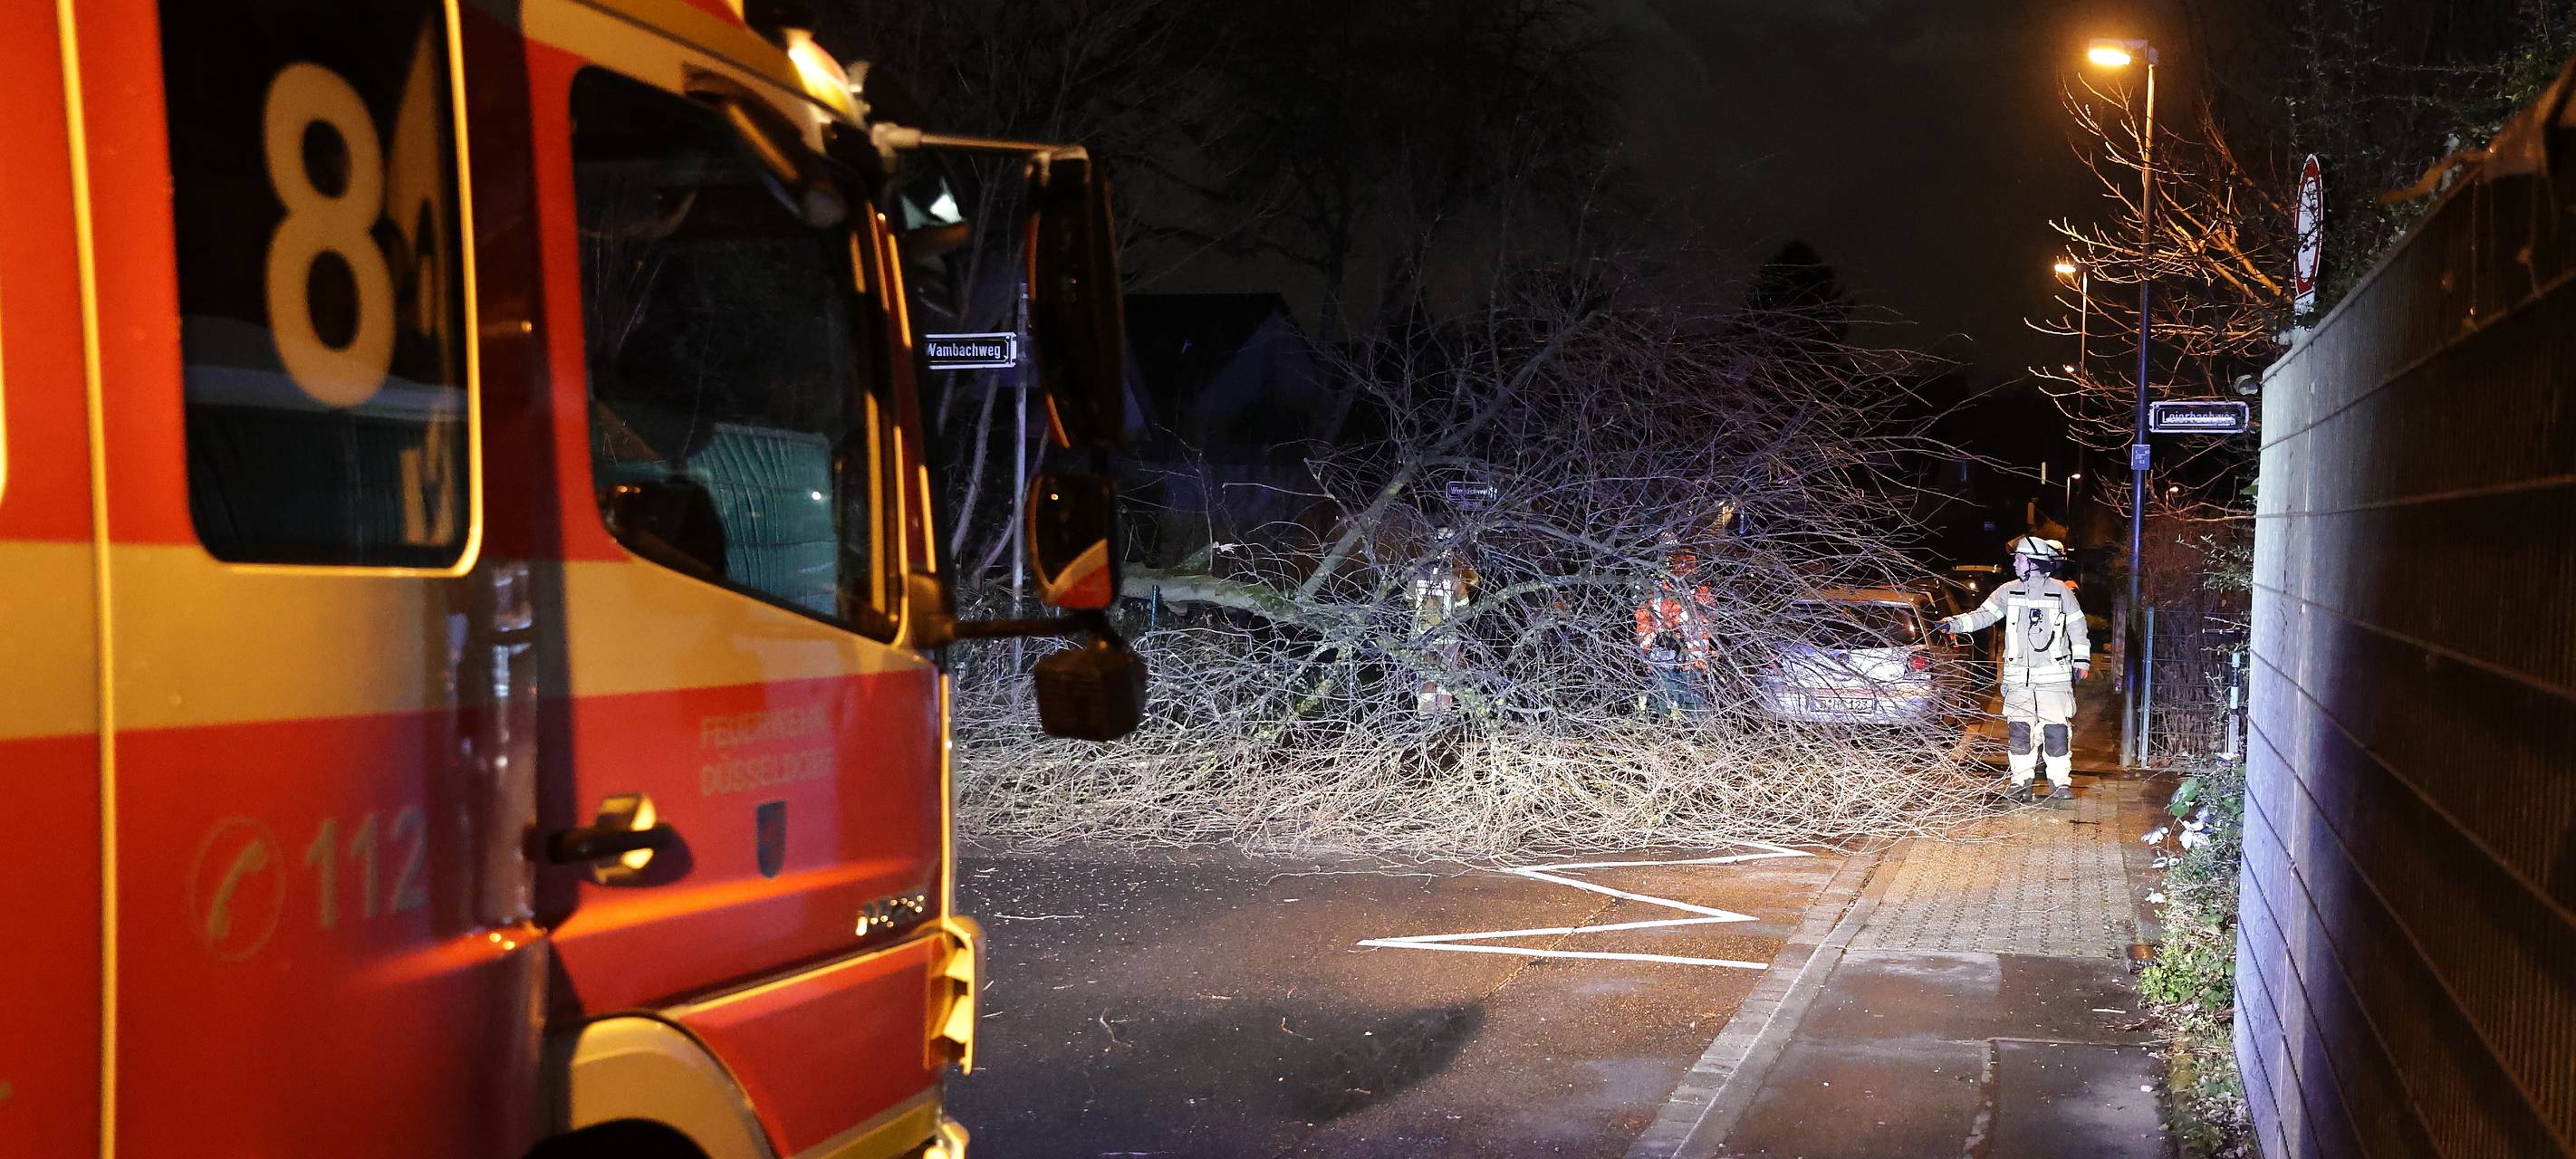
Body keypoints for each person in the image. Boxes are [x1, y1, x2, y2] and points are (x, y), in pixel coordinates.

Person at [1937, 536, 2091, 800]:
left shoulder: (2061, 592)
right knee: (2020, 733)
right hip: (2019, 679)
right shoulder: (2007, 591)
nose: (2015, 564)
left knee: (2056, 732)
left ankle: (2060, 784)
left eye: (2020, 559)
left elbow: (2077, 627)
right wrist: (1954, 624)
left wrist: (2081, 660)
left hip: (2054, 679)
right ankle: (2021, 783)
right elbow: (1983, 616)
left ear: (2033, 563)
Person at [1635, 539, 1719, 718]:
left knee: (1690, 707)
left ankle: (1688, 730)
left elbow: (1709, 625)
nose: (1686, 566)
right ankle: (1659, 728)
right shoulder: (1659, 590)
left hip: (1686, 659)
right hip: (1665, 656)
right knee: (1662, 705)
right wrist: (1646, 651)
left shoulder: (1699, 592)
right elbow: (1644, 621)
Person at [1408, 527, 1478, 714]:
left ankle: (1426, 716)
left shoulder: (1418, 576)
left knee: (1425, 676)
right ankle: (1444, 717)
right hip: (1447, 639)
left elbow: (1409, 600)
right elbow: (1464, 608)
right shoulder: (1453, 579)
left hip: (1422, 637)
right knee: (1446, 678)